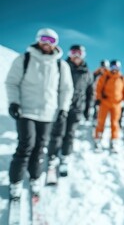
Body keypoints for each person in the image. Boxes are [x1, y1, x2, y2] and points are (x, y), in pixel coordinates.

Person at [5, 28, 74, 199]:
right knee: (26, 145)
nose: (47, 43)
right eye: (44, 39)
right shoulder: (25, 59)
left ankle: (35, 177)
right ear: (37, 40)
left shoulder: (60, 64)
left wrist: (63, 108)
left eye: (51, 40)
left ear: (56, 44)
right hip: (26, 111)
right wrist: (14, 102)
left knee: (40, 148)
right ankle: (16, 182)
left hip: (48, 114)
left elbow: (66, 89)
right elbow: (12, 83)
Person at [47, 44, 93, 177]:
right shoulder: (61, 66)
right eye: (73, 52)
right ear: (69, 54)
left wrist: (87, 110)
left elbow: (90, 93)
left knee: (70, 134)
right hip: (61, 106)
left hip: (77, 108)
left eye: (79, 53)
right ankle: (52, 156)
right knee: (57, 133)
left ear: (83, 55)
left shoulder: (87, 73)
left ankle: (65, 156)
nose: (76, 56)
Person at [94, 60, 124, 152]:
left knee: (114, 123)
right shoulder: (105, 76)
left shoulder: (122, 78)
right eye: (112, 67)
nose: (114, 69)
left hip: (117, 104)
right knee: (101, 121)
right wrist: (98, 98)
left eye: (116, 67)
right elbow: (98, 88)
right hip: (105, 102)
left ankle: (114, 140)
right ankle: (98, 138)